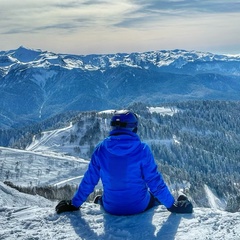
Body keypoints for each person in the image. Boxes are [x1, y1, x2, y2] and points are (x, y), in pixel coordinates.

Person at [56, 110, 193, 215]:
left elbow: (89, 180)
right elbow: (154, 182)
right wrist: (172, 206)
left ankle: (101, 200)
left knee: (103, 197)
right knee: (152, 197)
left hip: (111, 208)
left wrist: (74, 204)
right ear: (134, 128)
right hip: (139, 207)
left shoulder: (101, 149)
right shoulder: (142, 149)